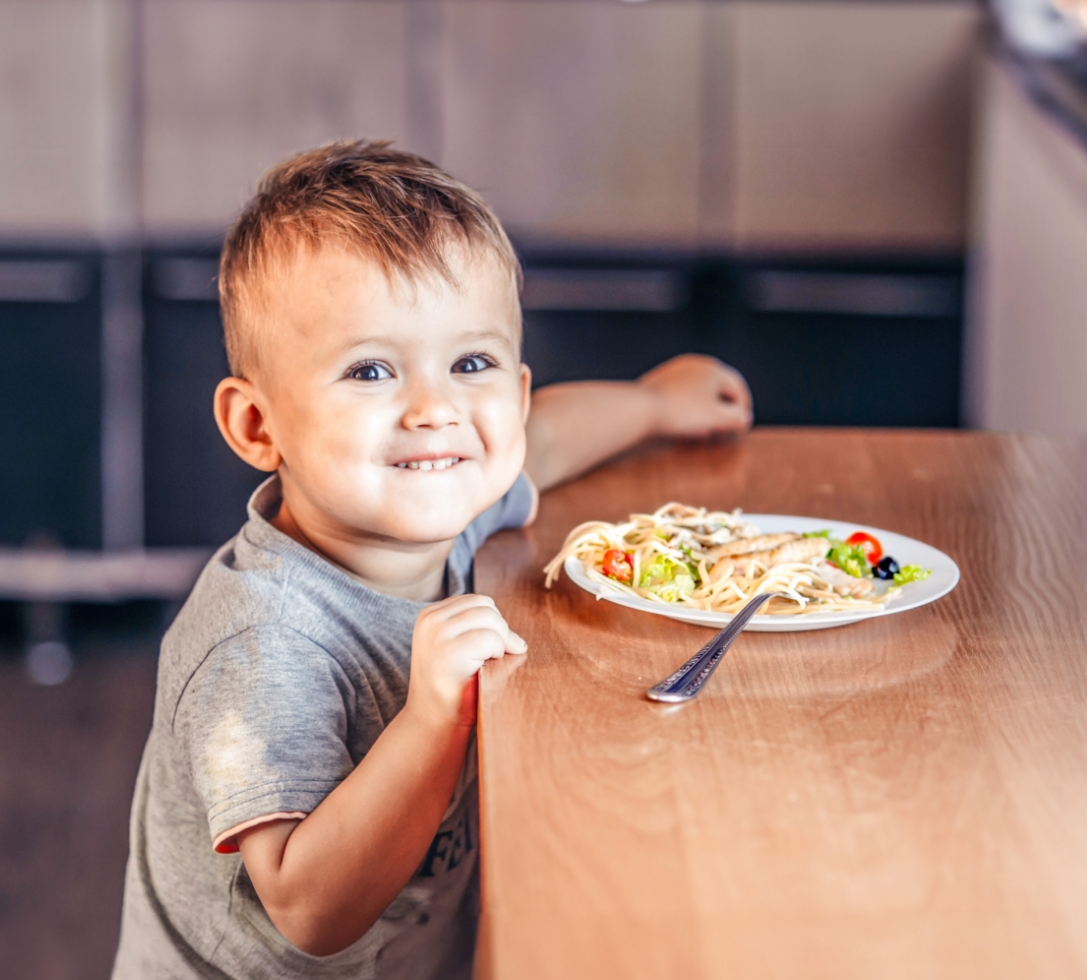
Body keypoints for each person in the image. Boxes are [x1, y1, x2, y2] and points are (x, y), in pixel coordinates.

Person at [112, 139, 751, 980]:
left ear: (512, 397)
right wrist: (430, 719)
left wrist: (654, 403)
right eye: (371, 369)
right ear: (258, 427)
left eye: (471, 363)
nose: (436, 410)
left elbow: (546, 442)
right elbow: (309, 910)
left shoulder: (439, 501)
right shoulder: (260, 644)